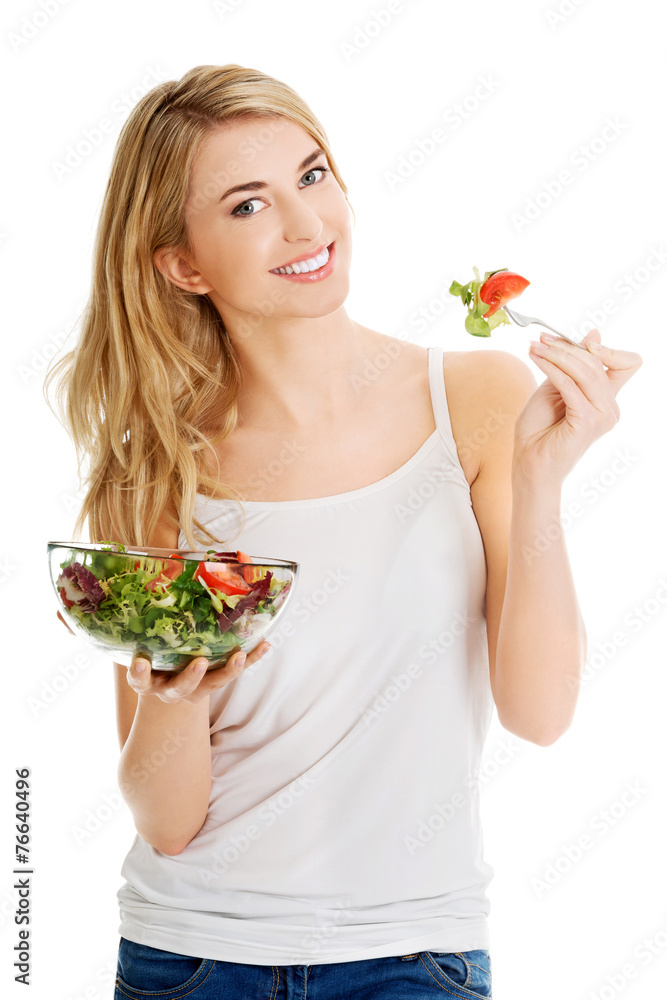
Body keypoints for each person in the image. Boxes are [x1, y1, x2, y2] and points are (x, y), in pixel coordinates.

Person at [47, 63, 642, 999]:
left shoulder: (474, 399)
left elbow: (541, 714)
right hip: (192, 959)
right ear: (183, 264)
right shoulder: (157, 472)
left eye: (312, 175)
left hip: (414, 955)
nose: (306, 224)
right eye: (248, 204)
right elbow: (167, 822)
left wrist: (538, 485)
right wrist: (175, 696)